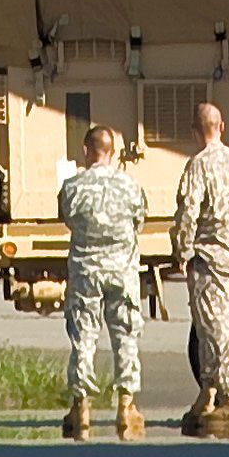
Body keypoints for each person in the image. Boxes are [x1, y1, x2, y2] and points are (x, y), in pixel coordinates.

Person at [168, 97, 229, 440]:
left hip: (211, 259)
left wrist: (181, 250)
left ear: (195, 131)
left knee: (216, 331)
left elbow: (188, 213)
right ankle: (207, 394)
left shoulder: (198, 166)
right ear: (222, 127)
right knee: (221, 329)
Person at [56, 123, 149, 440]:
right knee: (125, 336)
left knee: (83, 337)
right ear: (113, 152)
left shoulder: (72, 186)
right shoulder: (130, 186)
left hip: (85, 271)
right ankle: (126, 405)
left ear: (86, 151)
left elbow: (68, 218)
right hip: (122, 271)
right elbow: (139, 222)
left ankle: (81, 405)